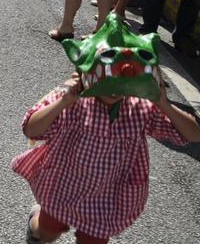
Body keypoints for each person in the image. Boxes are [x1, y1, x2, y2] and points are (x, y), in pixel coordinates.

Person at [14, 72, 200, 244]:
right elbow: (31, 129)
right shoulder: (74, 95)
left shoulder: (140, 107)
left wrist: (163, 103)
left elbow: (194, 135)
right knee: (46, 234)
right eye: (106, 76)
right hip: (63, 185)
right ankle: (36, 221)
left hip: (107, 197)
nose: (115, 87)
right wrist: (64, 100)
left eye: (123, 78)